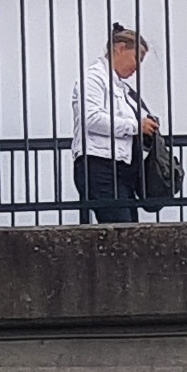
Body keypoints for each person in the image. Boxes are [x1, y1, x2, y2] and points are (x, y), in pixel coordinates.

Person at [72, 23, 161, 224]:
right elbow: (91, 118)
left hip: (120, 168)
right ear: (120, 48)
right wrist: (136, 126)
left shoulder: (122, 88)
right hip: (99, 164)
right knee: (122, 232)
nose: (137, 67)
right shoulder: (93, 78)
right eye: (137, 58)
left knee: (128, 229)